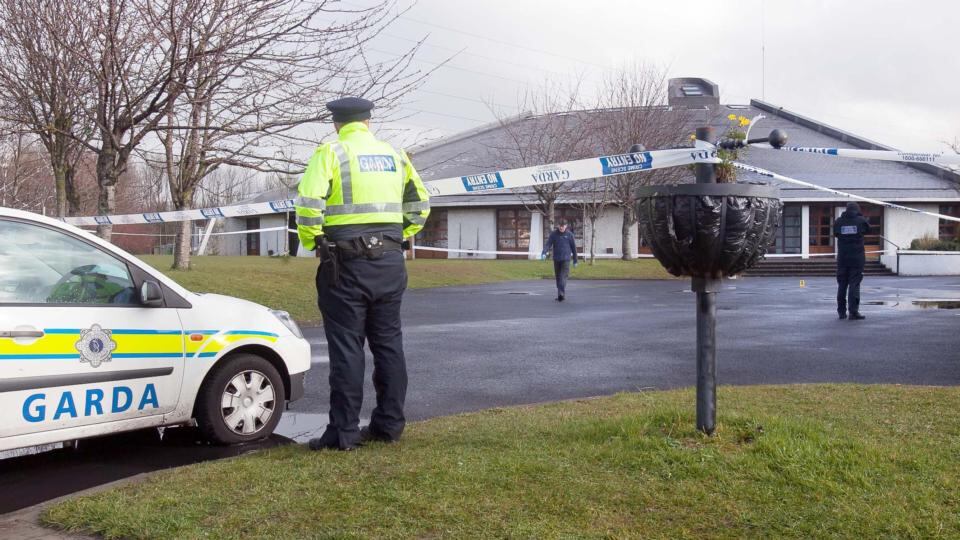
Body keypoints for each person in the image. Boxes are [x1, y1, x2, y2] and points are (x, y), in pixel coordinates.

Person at [295, 97, 431, 451]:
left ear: (336, 123)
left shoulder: (330, 152)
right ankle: (388, 426)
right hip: (389, 261)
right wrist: (399, 234)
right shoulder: (395, 155)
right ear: (368, 122)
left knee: (346, 349)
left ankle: (343, 433)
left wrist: (314, 241)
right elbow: (421, 205)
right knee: (389, 346)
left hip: (344, 264)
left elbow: (308, 205)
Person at [833, 201, 870, 320]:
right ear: (857, 210)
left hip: (842, 258)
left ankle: (841, 312)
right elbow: (868, 229)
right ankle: (853, 312)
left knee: (842, 285)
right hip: (856, 258)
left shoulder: (838, 221)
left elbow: (836, 233)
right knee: (854, 284)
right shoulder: (861, 220)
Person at [541, 220, 578, 301]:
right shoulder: (554, 234)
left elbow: (574, 248)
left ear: (566, 226)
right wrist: (544, 252)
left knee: (563, 277)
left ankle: (561, 293)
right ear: (558, 226)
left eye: (563, 225)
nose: (561, 227)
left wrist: (575, 260)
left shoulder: (569, 235)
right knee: (558, 277)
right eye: (560, 225)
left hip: (566, 259)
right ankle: (561, 295)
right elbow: (548, 244)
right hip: (557, 259)